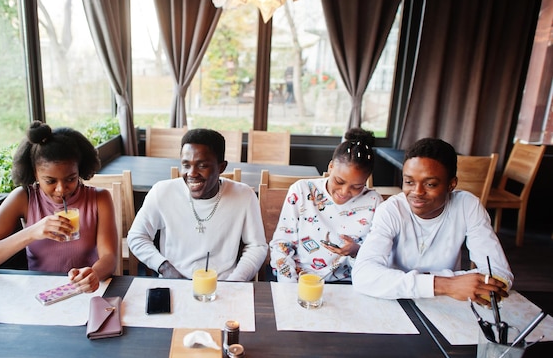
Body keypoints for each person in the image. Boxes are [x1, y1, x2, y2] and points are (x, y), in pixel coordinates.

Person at [352, 138, 513, 304]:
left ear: (451, 184)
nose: (417, 192)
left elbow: (500, 276)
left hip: (445, 303)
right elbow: (363, 276)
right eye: (409, 182)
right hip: (397, 301)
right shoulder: (391, 210)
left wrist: (431, 285)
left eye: (430, 184)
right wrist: (447, 284)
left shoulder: (467, 206)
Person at [0, 121, 117, 292]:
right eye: (50, 181)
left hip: (83, 293)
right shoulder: (22, 198)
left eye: (71, 179)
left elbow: (109, 257)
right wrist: (33, 232)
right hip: (39, 294)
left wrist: (94, 274)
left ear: (80, 170)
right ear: (35, 173)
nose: (61, 189)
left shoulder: (99, 198)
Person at [127, 128, 267, 281]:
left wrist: (235, 281)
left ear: (221, 167)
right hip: (174, 282)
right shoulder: (162, 192)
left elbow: (257, 246)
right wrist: (164, 267)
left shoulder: (244, 196)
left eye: (202, 165)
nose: (192, 173)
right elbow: (136, 237)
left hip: (224, 284)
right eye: (186, 165)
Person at [269, 128, 382, 283]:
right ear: (330, 166)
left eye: (357, 187)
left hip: (346, 283)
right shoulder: (302, 190)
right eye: (339, 181)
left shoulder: (374, 202)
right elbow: (281, 245)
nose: (344, 192)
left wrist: (356, 251)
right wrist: (289, 286)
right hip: (299, 279)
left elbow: (377, 257)